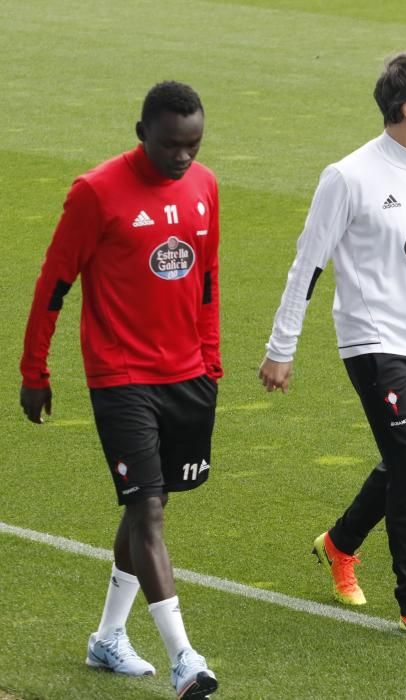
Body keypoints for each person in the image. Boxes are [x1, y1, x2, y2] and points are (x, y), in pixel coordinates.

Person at [259, 50, 406, 642]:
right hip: (370, 341)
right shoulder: (348, 177)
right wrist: (280, 348)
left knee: (405, 459)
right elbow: (306, 267)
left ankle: (338, 544)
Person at [19, 81, 220, 698]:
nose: (182, 157)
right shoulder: (96, 192)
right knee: (148, 509)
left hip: (187, 373)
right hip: (121, 375)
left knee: (148, 505)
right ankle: (185, 658)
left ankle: (108, 639)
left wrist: (210, 360)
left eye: (192, 144)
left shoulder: (206, 186)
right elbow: (54, 283)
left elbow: (207, 278)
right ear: (141, 133)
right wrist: (35, 370)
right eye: (170, 145)